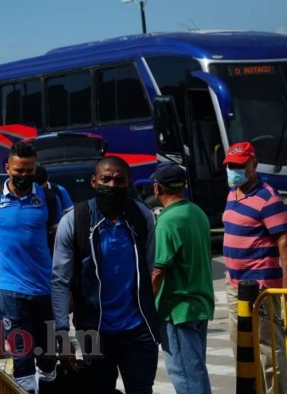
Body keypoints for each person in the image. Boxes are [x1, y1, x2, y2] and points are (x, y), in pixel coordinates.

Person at [52, 156, 159, 394]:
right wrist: (60, 333)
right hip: (94, 332)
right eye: (106, 179)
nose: (112, 185)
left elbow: (150, 269)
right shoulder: (74, 221)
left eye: (119, 180)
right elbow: (60, 280)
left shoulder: (141, 216)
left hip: (138, 331)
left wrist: (154, 318)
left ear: (129, 183)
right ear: (93, 182)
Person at [0, 141, 62, 394]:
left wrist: (68, 288)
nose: (23, 176)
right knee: (22, 360)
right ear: (7, 167)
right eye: (18, 170)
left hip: (46, 293)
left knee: (47, 358)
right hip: (11, 294)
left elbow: (61, 248)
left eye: (29, 170)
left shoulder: (49, 199)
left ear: (35, 168)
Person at [222, 142, 287, 392]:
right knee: (241, 346)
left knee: (269, 347)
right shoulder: (233, 193)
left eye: (238, 166)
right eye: (229, 166)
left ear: (253, 166)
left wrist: (284, 288)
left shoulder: (268, 197)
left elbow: (283, 241)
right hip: (235, 285)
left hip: (262, 289)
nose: (233, 170)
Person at [150, 162, 214, 394]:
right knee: (196, 370)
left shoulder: (167, 222)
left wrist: (146, 305)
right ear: (184, 186)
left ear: (157, 188)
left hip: (177, 309)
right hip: (200, 304)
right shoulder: (197, 213)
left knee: (187, 377)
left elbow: (158, 270)